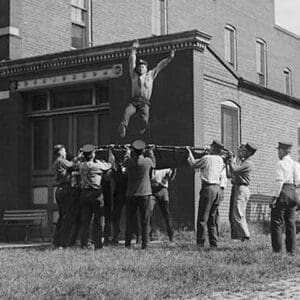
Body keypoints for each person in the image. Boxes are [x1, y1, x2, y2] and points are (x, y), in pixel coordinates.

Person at [118, 39, 175, 137]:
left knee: (145, 116)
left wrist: (169, 58)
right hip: (134, 101)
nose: (140, 69)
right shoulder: (134, 75)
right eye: (139, 67)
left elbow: (160, 66)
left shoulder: (150, 75)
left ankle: (142, 128)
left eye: (143, 67)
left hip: (144, 102)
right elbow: (132, 62)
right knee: (127, 112)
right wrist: (133, 50)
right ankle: (123, 127)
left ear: (146, 68)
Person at [186, 140, 225, 248]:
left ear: (213, 148)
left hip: (208, 188)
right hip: (218, 189)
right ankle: (214, 243)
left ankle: (200, 244)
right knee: (212, 219)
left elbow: (193, 164)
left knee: (202, 218)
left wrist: (189, 153)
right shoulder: (220, 160)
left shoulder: (207, 158)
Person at [78, 144, 113, 249]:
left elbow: (79, 159)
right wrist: (110, 151)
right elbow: (110, 164)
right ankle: (98, 244)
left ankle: (84, 244)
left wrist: (82, 151)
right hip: (96, 193)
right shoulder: (97, 166)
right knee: (98, 220)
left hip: (84, 193)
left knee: (85, 220)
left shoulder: (81, 165)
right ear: (93, 155)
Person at [124, 140, 156, 250]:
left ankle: (127, 243)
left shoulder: (129, 162)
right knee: (145, 220)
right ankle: (145, 244)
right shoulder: (147, 161)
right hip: (145, 194)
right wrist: (151, 151)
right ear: (143, 151)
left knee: (129, 220)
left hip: (131, 194)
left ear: (134, 151)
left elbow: (125, 160)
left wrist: (127, 151)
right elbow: (154, 163)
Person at [270, 142, 300, 255]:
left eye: (279, 150)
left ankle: (277, 251)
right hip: (293, 192)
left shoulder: (280, 163)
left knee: (277, 222)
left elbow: (279, 182)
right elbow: (298, 181)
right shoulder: (296, 164)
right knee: (291, 223)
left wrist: (274, 198)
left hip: (283, 191)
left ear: (283, 151)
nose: (278, 153)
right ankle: (291, 251)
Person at [227, 143, 257, 241]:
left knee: (238, 213)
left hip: (242, 188)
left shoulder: (248, 163)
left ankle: (246, 236)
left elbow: (235, 170)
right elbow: (230, 174)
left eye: (244, 150)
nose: (241, 152)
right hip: (237, 187)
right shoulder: (243, 162)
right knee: (234, 213)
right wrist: (230, 161)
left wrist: (231, 160)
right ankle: (238, 236)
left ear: (249, 152)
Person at [52, 144, 76, 248]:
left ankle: (56, 241)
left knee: (62, 216)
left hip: (59, 189)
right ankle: (63, 242)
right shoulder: (61, 160)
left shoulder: (56, 162)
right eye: (64, 151)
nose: (66, 153)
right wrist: (78, 157)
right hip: (65, 189)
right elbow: (73, 165)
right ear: (61, 152)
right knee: (66, 216)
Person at [110, 161, 140, 245]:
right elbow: (114, 176)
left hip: (128, 194)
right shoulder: (116, 169)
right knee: (116, 216)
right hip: (118, 194)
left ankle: (137, 235)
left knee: (132, 216)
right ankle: (115, 236)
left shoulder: (130, 168)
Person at [150, 168, 176, 242]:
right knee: (149, 212)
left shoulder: (166, 166)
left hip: (162, 189)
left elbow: (171, 176)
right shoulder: (152, 166)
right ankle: (149, 235)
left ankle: (171, 235)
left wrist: (173, 171)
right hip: (152, 189)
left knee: (166, 213)